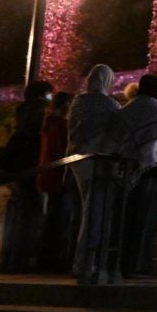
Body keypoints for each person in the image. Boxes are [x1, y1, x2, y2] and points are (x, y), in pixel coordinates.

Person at [110, 74, 157, 278]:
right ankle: (139, 264)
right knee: (147, 222)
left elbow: (115, 139)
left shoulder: (127, 110)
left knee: (126, 219)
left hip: (128, 173)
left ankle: (121, 262)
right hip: (156, 173)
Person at [68, 65, 119, 279]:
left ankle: (81, 261)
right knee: (95, 214)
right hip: (99, 163)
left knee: (86, 210)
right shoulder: (110, 104)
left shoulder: (78, 102)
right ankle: (87, 262)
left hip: (79, 161)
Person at [0, 80, 53, 273]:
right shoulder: (39, 112)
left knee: (21, 213)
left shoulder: (22, 112)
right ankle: (22, 260)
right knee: (32, 214)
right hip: (32, 168)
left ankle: (11, 259)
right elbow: (39, 137)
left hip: (18, 169)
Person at [37, 91, 76, 272]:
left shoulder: (48, 123)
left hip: (49, 176)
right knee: (59, 219)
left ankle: (47, 258)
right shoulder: (59, 124)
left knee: (53, 217)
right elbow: (61, 151)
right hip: (59, 177)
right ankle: (53, 259)